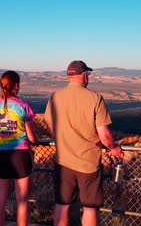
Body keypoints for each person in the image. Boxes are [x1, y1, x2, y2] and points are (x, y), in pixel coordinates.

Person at [43, 60, 122, 226]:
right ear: (84, 75)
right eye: (88, 74)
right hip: (88, 163)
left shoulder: (55, 97)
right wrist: (113, 148)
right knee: (90, 208)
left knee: (62, 205)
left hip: (63, 161)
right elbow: (105, 136)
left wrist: (62, 139)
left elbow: (49, 125)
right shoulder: (95, 98)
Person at [0, 71, 39, 226]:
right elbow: (31, 137)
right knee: (22, 200)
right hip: (20, 156)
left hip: (1, 155)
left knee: (0, 199)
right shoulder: (23, 106)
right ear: (16, 86)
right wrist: (37, 141)